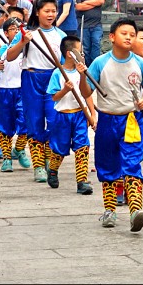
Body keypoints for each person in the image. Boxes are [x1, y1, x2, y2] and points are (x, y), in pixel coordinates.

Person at [77, 18, 143, 231]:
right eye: (124, 33)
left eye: (132, 34)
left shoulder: (141, 63)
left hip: (132, 120)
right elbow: (86, 92)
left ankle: (135, 211)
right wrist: (81, 76)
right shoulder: (100, 63)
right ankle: (110, 210)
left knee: (131, 164)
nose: (129, 37)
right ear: (112, 37)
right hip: (106, 119)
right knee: (107, 164)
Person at [6, 0, 67, 183]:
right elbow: (9, 56)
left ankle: (50, 158)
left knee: (55, 120)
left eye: (53, 11)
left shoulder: (61, 36)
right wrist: (23, 42)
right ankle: (39, 165)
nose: (50, 14)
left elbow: (67, 63)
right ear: (37, 12)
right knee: (34, 122)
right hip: (32, 78)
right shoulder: (27, 33)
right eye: (46, 11)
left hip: (53, 79)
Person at [46, 35, 96, 194]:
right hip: (62, 116)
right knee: (59, 149)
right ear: (70, 54)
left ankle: (82, 181)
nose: (83, 55)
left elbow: (86, 94)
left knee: (83, 147)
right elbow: (54, 97)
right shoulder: (58, 73)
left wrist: (92, 114)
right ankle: (53, 169)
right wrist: (65, 90)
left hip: (80, 115)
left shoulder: (83, 71)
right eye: (80, 51)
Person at [0, 14, 31, 172]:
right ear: (6, 33)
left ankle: (19, 149)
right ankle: (7, 158)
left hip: (22, 91)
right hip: (4, 91)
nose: (17, 32)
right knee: (5, 126)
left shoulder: (28, 50)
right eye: (13, 29)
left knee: (26, 122)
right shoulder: (1, 51)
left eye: (20, 29)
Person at [74, 0, 105, 67]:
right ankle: (87, 68)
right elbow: (78, 6)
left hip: (96, 24)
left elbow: (101, 1)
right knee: (85, 48)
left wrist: (86, 2)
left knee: (96, 43)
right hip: (84, 24)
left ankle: (95, 67)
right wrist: (95, 2)